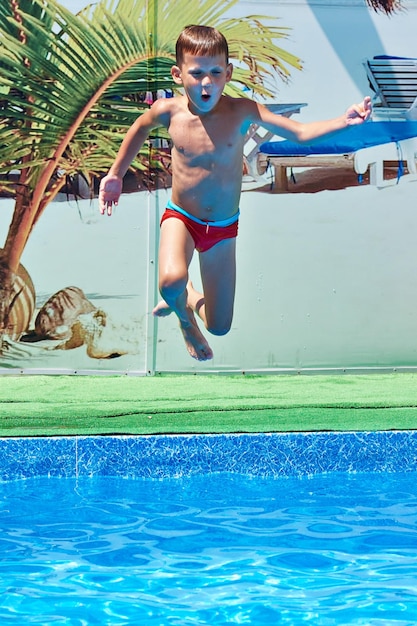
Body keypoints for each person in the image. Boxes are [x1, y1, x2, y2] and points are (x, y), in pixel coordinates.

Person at [99, 24, 372, 362]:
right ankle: (185, 321)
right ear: (177, 73)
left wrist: (342, 121)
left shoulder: (242, 111)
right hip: (181, 217)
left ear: (228, 73)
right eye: (196, 73)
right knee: (170, 280)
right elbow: (139, 128)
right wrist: (115, 175)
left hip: (223, 228)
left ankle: (187, 301)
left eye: (215, 72)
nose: (206, 82)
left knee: (219, 326)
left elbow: (300, 132)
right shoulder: (168, 113)